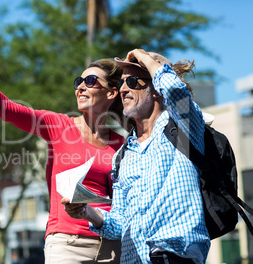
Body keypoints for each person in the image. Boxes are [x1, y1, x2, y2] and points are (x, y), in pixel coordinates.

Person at [0, 38, 127, 263]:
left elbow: (122, 202)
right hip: (67, 244)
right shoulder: (58, 125)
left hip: (111, 248)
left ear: (112, 93)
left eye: (90, 81)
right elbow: (8, 109)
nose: (81, 86)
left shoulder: (122, 145)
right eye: (78, 81)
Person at [62, 49, 211, 263]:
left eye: (132, 81)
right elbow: (120, 224)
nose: (123, 89)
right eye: (122, 83)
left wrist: (147, 59)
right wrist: (87, 212)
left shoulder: (184, 129)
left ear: (157, 90)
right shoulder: (123, 156)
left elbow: (176, 91)